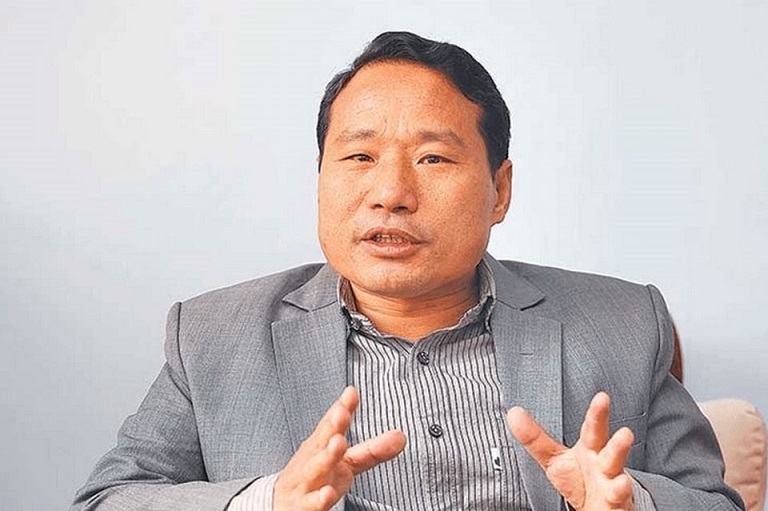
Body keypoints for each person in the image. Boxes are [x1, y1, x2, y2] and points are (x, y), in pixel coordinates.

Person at [72, 31, 744, 511]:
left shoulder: (624, 323)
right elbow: (109, 499)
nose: (390, 192)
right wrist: (270, 500)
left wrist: (631, 506)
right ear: (320, 178)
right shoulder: (214, 336)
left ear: (500, 190)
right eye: (359, 157)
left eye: (433, 159)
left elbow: (715, 502)